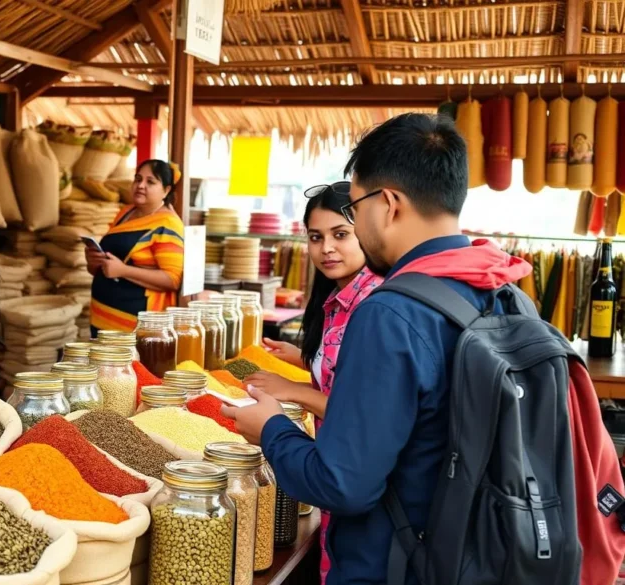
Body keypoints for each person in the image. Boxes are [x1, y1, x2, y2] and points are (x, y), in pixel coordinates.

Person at [222, 113, 538, 583]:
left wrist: (271, 428)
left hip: (393, 562)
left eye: (355, 206)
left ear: (387, 203)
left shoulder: (390, 313)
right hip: (476, 554)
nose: (350, 225)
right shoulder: (505, 290)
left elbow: (343, 485)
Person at [246, 182, 383, 584]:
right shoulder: (339, 299)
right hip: (332, 473)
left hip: (356, 481)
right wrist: (305, 363)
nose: (327, 248)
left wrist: (292, 392)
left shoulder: (374, 305)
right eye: (316, 237)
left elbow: (364, 412)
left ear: (366, 232)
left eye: (341, 234)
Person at [87, 159, 185, 335]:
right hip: (102, 317)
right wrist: (93, 261)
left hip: (135, 326)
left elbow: (172, 279)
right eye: (138, 179)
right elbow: (111, 265)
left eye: (150, 182)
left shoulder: (168, 224)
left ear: (166, 190)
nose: (141, 185)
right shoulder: (126, 212)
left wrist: (124, 270)